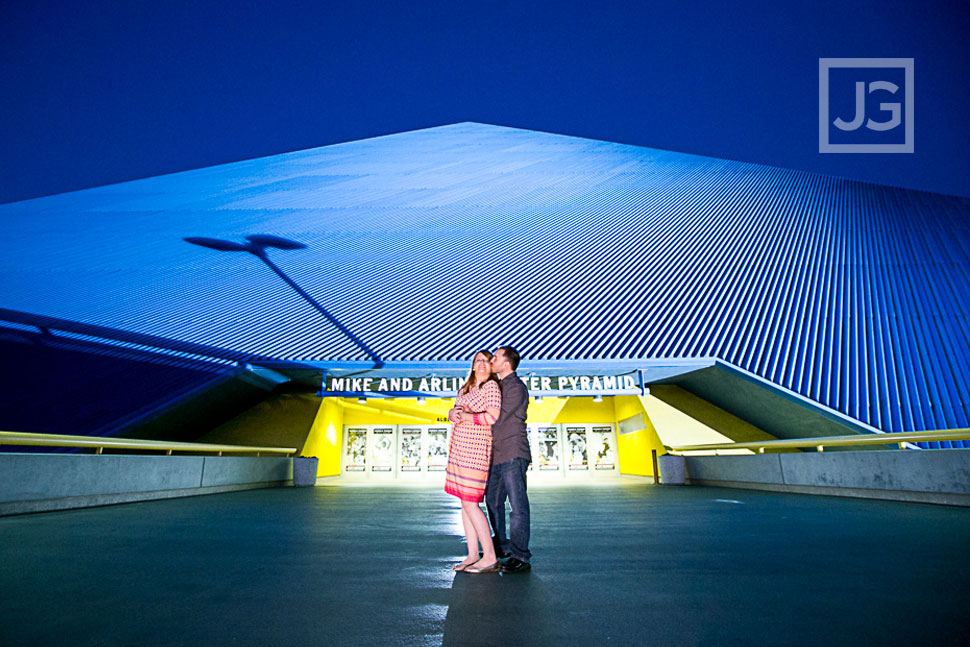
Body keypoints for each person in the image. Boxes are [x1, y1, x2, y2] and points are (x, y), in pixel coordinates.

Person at [444, 350, 503, 574]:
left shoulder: (490, 387)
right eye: (478, 360)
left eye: (486, 361)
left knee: (471, 503)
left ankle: (489, 556)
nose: (481, 364)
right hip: (459, 448)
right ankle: (472, 554)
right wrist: (452, 413)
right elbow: (456, 412)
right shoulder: (464, 389)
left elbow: (492, 416)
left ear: (491, 367)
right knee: (464, 502)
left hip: (476, 451)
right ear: (472, 365)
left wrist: (467, 416)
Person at [485, 346, 532, 573]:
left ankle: (520, 555)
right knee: (492, 501)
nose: (491, 360)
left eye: (495, 357)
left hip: (514, 453)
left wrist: (471, 416)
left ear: (506, 364)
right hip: (496, 455)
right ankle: (502, 547)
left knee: (517, 506)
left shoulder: (516, 388)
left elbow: (498, 417)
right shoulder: (497, 386)